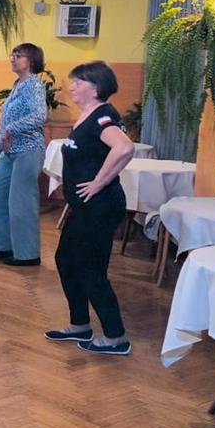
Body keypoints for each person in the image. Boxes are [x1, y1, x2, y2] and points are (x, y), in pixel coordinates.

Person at [46, 61, 136, 355]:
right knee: (66, 259)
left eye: (78, 82)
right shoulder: (88, 115)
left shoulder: (103, 117)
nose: (72, 86)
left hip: (100, 206)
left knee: (90, 269)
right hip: (84, 207)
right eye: (72, 81)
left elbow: (124, 148)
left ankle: (116, 337)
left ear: (96, 88)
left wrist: (99, 182)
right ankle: (80, 324)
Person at [0, 42, 48, 267]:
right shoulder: (18, 84)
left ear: (31, 61)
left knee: (21, 202)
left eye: (18, 56)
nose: (12, 59)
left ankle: (27, 254)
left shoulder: (34, 86)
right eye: (12, 55)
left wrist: (10, 129)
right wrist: (5, 136)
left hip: (28, 150)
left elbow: (39, 116)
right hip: (9, 151)